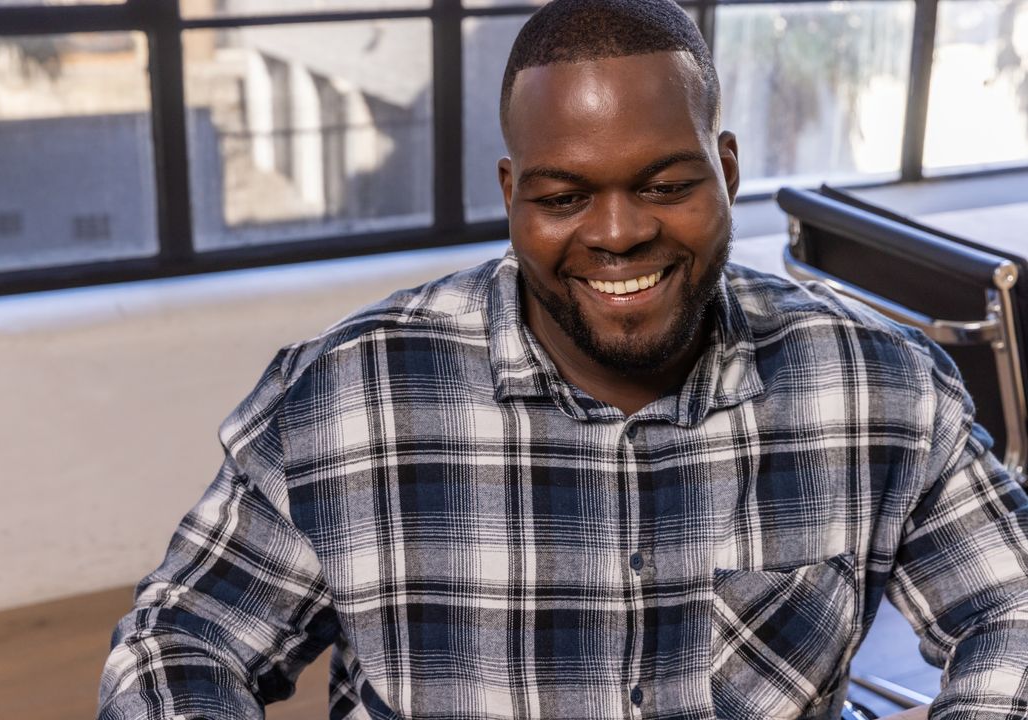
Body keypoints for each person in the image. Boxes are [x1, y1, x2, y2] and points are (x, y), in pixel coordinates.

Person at [98, 1, 1028, 718]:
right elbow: (181, 641)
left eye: (666, 185)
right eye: (565, 195)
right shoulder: (346, 398)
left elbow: (1013, 606)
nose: (619, 234)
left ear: (728, 169)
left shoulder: (877, 385)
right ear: (512, 192)